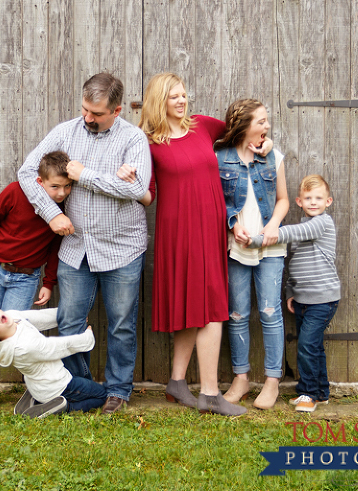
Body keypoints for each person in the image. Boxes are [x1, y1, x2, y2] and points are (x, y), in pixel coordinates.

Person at [17, 73, 151, 414]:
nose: (87, 118)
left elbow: (138, 190)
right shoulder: (65, 131)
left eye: (96, 114)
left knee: (121, 323)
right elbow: (26, 171)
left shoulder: (133, 140)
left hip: (122, 247)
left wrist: (84, 174)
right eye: (84, 110)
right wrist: (51, 213)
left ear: (117, 110)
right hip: (76, 247)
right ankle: (83, 388)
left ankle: (118, 390)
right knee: (70, 322)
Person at [131, 72, 263, 416]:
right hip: (180, 233)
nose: (181, 100)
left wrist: (261, 140)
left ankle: (177, 383)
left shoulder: (203, 126)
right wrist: (131, 182)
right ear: (159, 101)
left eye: (184, 94)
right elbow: (149, 196)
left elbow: (240, 128)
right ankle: (208, 393)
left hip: (210, 228)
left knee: (200, 305)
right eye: (174, 96)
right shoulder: (147, 143)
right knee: (209, 305)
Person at [0, 151, 72, 410]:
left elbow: (55, 249)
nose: (61, 193)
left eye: (67, 186)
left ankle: (37, 389)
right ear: (39, 182)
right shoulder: (15, 192)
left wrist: (48, 282)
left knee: (19, 333)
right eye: (54, 186)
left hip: (26, 277)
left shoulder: (63, 209)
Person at [214, 99, 289, 410]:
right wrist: (232, 226)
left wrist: (273, 225)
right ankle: (241, 378)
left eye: (267, 120)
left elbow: (283, 199)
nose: (266, 127)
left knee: (271, 313)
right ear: (243, 126)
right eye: (260, 122)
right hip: (237, 247)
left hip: (270, 246)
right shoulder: (219, 158)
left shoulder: (273, 156)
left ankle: (272, 381)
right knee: (237, 314)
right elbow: (216, 202)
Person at [272, 174, 340, 413]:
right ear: (299, 201)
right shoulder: (303, 230)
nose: (313, 202)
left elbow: (293, 233)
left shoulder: (322, 223)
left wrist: (271, 233)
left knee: (307, 347)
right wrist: (290, 291)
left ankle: (308, 394)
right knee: (313, 347)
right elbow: (295, 263)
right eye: (308, 198)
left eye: (318, 198)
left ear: (328, 201)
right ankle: (321, 392)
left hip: (323, 299)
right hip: (302, 300)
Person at [0, 307, 107, 416]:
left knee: (87, 388)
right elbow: (59, 347)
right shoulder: (24, 347)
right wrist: (87, 337)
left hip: (38, 385)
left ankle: (37, 399)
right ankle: (63, 407)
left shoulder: (11, 317)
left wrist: (70, 314)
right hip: (57, 385)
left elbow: (39, 317)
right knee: (102, 396)